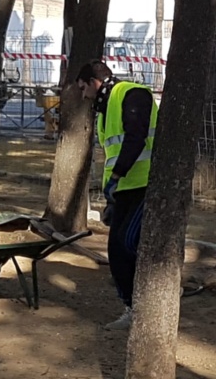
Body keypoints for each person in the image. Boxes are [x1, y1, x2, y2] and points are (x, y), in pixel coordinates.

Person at [77, 60, 158, 330]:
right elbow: (115, 149)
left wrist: (115, 177)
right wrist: (113, 190)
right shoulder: (106, 109)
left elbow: (136, 139)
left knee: (127, 244)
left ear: (94, 82)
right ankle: (132, 307)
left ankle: (151, 299)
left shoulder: (132, 94)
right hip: (125, 189)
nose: (83, 95)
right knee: (117, 249)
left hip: (145, 185)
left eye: (83, 88)